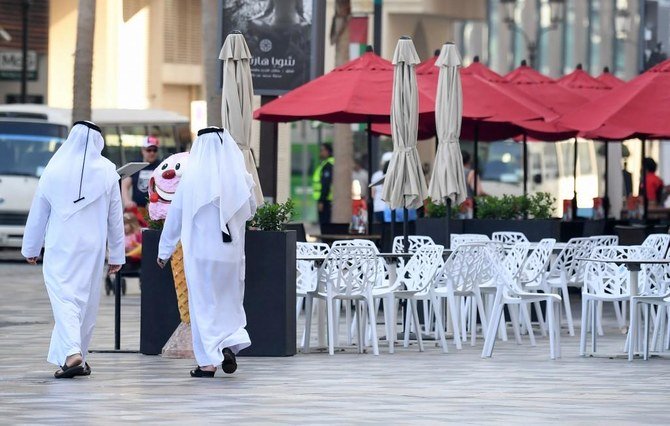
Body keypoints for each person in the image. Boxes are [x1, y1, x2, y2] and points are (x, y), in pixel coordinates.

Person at [21, 121, 125, 379]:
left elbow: (38, 213)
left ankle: (72, 353)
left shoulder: (53, 170)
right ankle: (76, 358)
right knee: (85, 301)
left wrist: (31, 248)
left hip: (61, 244)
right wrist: (117, 254)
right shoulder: (108, 171)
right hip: (93, 247)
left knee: (65, 298)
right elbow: (116, 217)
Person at [157, 127, 256, 378]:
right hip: (231, 255)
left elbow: (174, 219)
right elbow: (251, 210)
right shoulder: (240, 177)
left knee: (203, 306)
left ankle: (207, 363)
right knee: (228, 303)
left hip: (200, 256)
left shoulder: (191, 179)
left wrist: (164, 250)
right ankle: (227, 343)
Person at [121, 135, 161, 216]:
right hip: (137, 210)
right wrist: (127, 201)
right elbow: (124, 185)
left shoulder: (161, 166)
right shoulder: (134, 165)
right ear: (143, 150)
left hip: (156, 210)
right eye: (149, 150)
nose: (152, 153)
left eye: (155, 150)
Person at [312, 143, 334, 225]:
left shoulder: (328, 165)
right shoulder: (326, 164)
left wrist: (321, 201)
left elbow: (325, 184)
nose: (320, 153)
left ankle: (326, 238)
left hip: (326, 200)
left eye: (322, 150)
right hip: (326, 199)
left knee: (325, 224)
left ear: (327, 151)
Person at [371, 153, 391, 223]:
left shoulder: (376, 175)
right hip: (390, 208)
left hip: (378, 207)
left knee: (383, 229)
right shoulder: (394, 175)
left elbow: (373, 194)